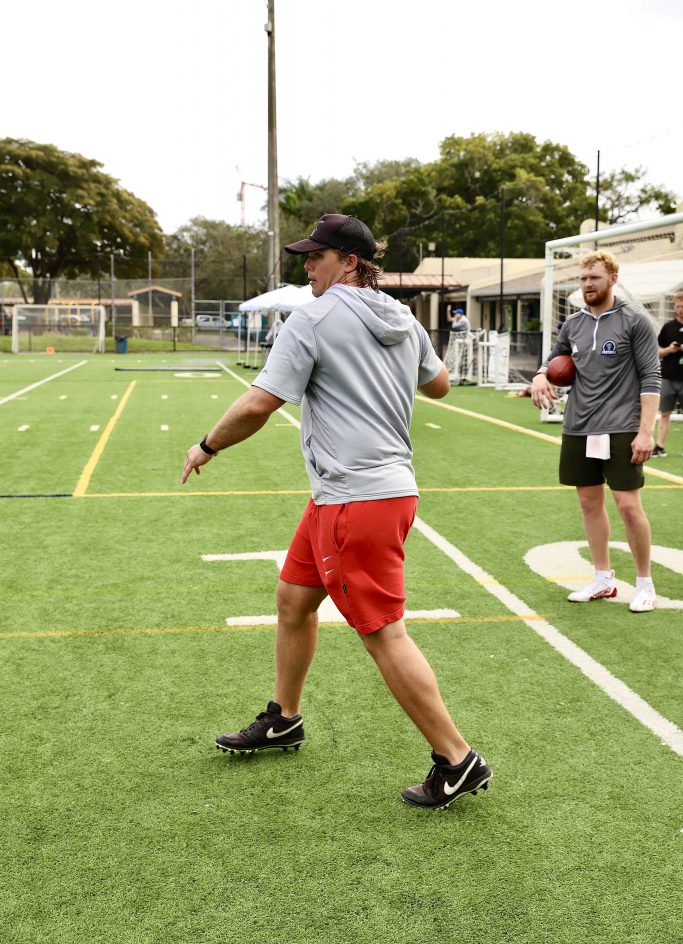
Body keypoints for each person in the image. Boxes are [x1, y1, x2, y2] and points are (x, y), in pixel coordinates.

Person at [181, 212, 492, 810]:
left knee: (384, 634)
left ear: (350, 262)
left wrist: (207, 445)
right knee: (294, 598)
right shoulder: (402, 316)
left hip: (355, 497)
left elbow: (260, 403)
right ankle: (284, 717)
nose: (307, 266)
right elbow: (440, 386)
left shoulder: (313, 318)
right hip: (366, 491)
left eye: (317, 256)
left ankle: (457, 759)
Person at [531, 250, 661, 614]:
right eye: (584, 279)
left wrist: (645, 432)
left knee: (628, 506)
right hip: (579, 426)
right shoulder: (573, 324)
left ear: (612, 279)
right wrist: (540, 375)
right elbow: (553, 358)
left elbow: (651, 378)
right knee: (589, 503)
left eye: (595, 278)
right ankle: (603, 579)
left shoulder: (635, 321)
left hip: (621, 426)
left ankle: (645, 583)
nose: (587, 285)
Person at [652, 292, 683, 457]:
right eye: (678, 306)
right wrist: (670, 349)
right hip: (668, 377)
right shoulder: (668, 327)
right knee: (664, 413)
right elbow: (657, 351)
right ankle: (659, 446)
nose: (680, 310)